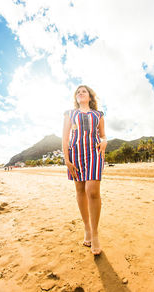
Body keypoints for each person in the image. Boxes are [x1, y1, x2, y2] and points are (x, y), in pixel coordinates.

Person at [62, 85, 107, 255]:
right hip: (75, 153)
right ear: (76, 97)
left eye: (84, 91)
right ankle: (87, 228)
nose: (81, 93)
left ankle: (95, 234)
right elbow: (65, 137)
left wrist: (105, 141)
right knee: (80, 190)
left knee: (92, 190)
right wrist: (67, 160)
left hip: (94, 152)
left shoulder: (98, 114)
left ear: (90, 96)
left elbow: (103, 135)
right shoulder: (70, 113)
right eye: (78, 92)